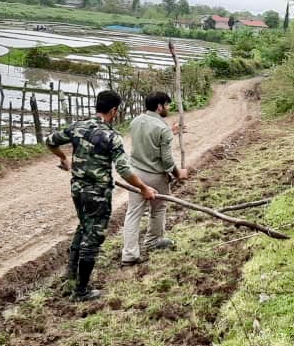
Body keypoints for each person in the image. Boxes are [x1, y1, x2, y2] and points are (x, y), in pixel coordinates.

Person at [46, 90, 158, 301]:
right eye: (117, 110)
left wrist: (64, 159)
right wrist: (144, 188)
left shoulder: (77, 126)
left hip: (77, 189)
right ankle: (81, 291)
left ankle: (70, 273)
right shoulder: (111, 136)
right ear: (113, 110)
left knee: (83, 226)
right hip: (97, 193)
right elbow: (124, 170)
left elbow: (50, 140)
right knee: (93, 237)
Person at [121, 92, 189, 267]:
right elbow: (166, 160)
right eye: (166, 105)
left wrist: (170, 133)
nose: (167, 108)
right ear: (159, 106)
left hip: (135, 174)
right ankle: (152, 241)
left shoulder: (135, 121)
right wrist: (177, 173)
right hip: (156, 176)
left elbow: (149, 140)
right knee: (158, 209)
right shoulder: (162, 128)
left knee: (133, 212)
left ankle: (129, 254)